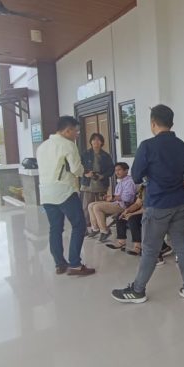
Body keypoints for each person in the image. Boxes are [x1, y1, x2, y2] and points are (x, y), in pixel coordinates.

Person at [111, 104, 184, 304]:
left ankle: (137, 290)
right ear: (171, 122)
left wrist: (150, 176)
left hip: (158, 203)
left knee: (150, 248)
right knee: (182, 245)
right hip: (180, 202)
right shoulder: (181, 145)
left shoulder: (147, 146)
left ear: (153, 123)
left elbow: (136, 176)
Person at [37, 116, 96, 276]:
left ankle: (60, 264)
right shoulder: (68, 145)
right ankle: (75, 264)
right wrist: (85, 172)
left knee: (55, 228)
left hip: (46, 193)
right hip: (64, 192)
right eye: (76, 131)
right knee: (79, 226)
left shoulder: (42, 146)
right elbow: (76, 169)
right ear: (67, 130)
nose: (77, 134)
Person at [107, 183, 174, 261]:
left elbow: (148, 208)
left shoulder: (157, 186)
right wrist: (127, 211)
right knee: (120, 216)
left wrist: (132, 214)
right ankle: (122, 242)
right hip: (146, 211)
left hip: (156, 212)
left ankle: (140, 247)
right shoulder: (143, 187)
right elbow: (137, 203)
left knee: (133, 219)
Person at [87, 162, 136, 241]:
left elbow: (127, 198)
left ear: (126, 170)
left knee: (97, 207)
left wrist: (113, 197)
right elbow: (116, 197)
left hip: (123, 206)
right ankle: (95, 229)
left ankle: (105, 231)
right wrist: (110, 197)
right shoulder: (121, 181)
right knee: (91, 205)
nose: (117, 172)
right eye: (116, 170)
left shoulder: (129, 182)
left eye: (119, 170)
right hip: (116, 203)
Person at [80, 133, 114, 232]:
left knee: (101, 206)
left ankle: (101, 226)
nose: (96, 142)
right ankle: (88, 228)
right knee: (87, 207)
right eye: (94, 140)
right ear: (90, 142)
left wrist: (103, 176)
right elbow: (79, 167)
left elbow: (111, 169)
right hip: (88, 184)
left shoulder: (106, 155)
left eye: (99, 140)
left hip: (101, 183)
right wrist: (85, 173)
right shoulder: (85, 154)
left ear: (102, 142)